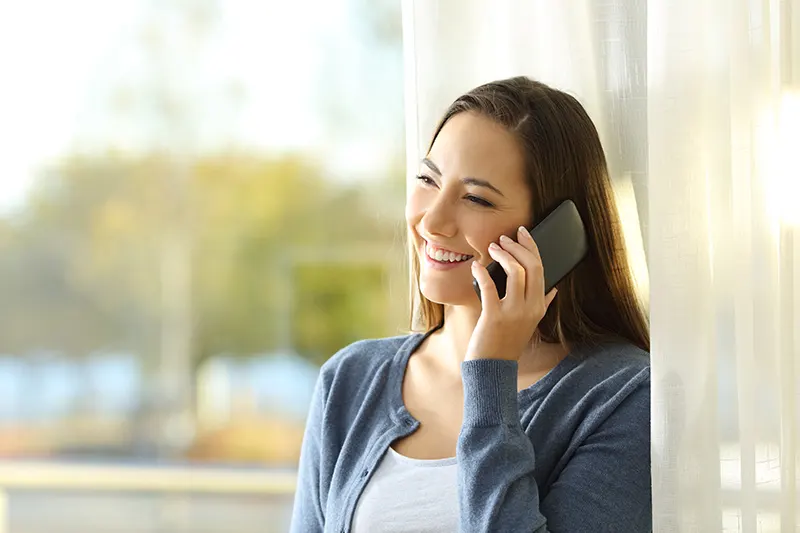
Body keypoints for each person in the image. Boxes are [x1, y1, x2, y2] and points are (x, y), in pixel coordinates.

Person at [289, 76, 651, 533]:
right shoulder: (349, 379)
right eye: (427, 179)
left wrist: (490, 373)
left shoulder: (625, 397)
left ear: (557, 233)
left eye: (476, 198)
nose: (433, 221)